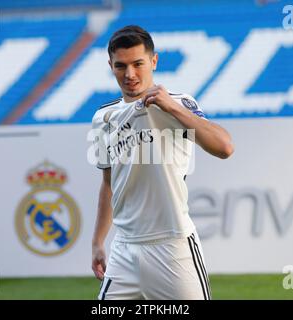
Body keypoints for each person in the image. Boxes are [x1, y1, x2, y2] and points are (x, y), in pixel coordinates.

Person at [90, 25, 234, 300]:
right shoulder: (102, 118)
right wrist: (98, 241)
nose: (129, 74)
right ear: (110, 65)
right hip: (124, 250)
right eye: (120, 66)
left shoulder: (179, 104)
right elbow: (109, 184)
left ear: (154, 61)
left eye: (138, 64)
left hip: (173, 246)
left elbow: (225, 147)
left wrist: (172, 108)